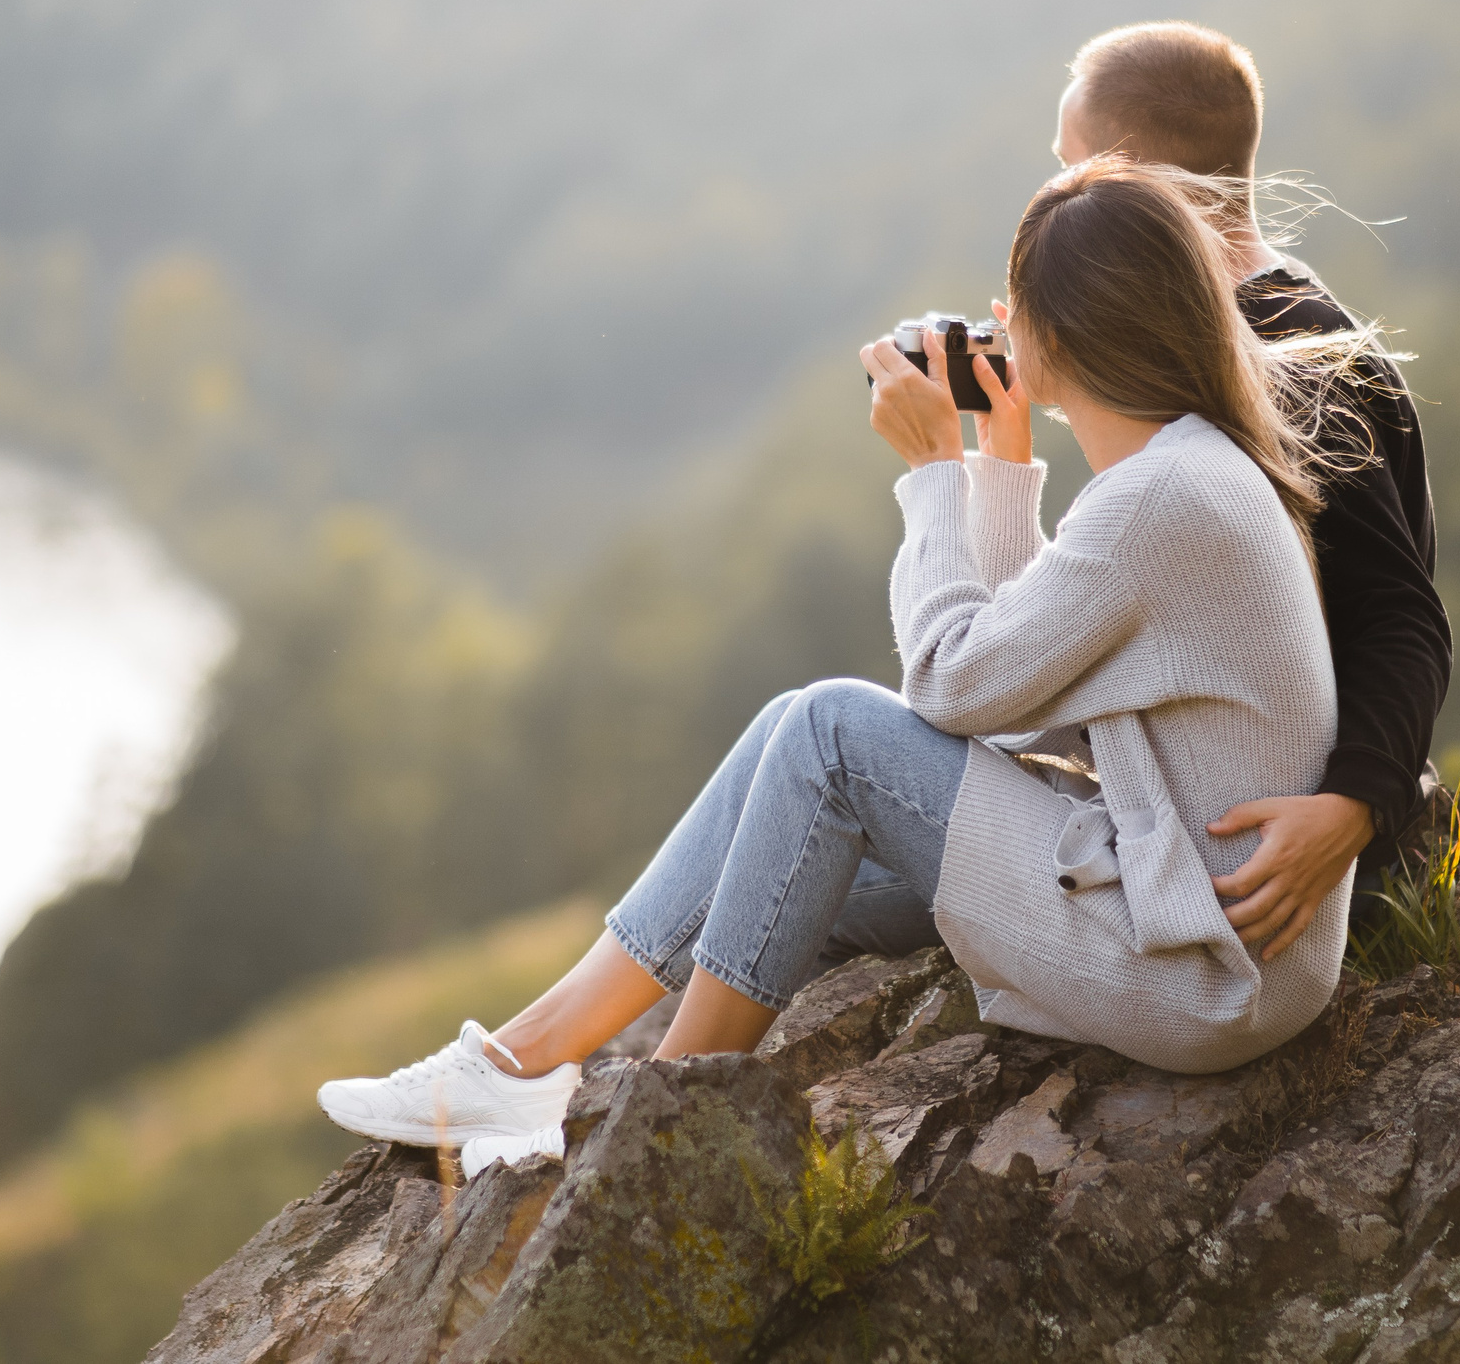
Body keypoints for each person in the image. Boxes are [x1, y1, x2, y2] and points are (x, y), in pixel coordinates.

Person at [315, 157, 1360, 1166]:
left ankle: (658, 1123)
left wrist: (935, 476)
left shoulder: (1156, 500)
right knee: (784, 780)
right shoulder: (1190, 470)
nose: (999, 324)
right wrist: (1001, 465)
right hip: (1197, 926)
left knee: (828, 735)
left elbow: (949, 683)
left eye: (1014, 306)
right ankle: (524, 1060)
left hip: (1200, 973)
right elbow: (1024, 691)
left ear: (1069, 331)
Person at [1051, 20, 1453, 965]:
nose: (1057, 196)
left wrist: (1349, 809)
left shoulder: (1284, 355)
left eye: (1072, 168)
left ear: (1138, 184)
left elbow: (1401, 615)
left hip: (1281, 853)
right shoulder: (1236, 323)